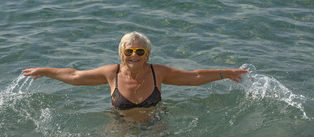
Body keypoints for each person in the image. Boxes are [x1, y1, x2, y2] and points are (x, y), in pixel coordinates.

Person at [23, 31, 247, 111]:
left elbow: (194, 76)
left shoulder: (158, 72)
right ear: (121, 54)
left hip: (156, 124)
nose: (134, 56)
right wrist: (45, 71)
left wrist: (225, 73)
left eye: (140, 51)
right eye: (129, 51)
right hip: (120, 126)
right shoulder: (111, 73)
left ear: (147, 54)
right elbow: (74, 75)